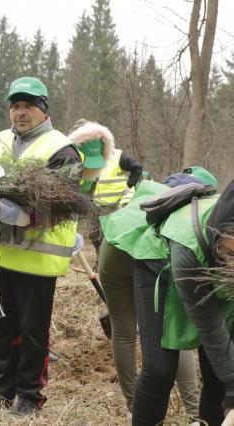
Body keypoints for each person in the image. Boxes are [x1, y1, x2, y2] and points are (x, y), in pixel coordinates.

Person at [0, 76, 82, 417]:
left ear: (43, 109)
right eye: (15, 105)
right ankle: (2, 388)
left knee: (32, 332)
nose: (20, 112)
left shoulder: (60, 148)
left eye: (28, 106)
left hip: (37, 260)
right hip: (0, 254)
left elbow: (63, 201)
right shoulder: (1, 139)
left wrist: (26, 217)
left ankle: (30, 396)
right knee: (0, 326)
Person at [99, 169, 216, 420]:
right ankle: (194, 411)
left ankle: (134, 405)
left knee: (123, 331)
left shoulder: (150, 191)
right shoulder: (194, 212)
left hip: (113, 249)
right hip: (151, 252)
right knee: (173, 329)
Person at [156, 178, 234, 425]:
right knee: (214, 375)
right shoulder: (188, 245)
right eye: (231, 253)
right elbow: (210, 326)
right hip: (169, 266)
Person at [69, 119, 143, 257]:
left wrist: (128, 186)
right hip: (94, 203)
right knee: (94, 235)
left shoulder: (118, 156)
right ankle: (100, 258)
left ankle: (104, 263)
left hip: (112, 205)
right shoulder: (80, 155)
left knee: (107, 236)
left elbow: (137, 169)